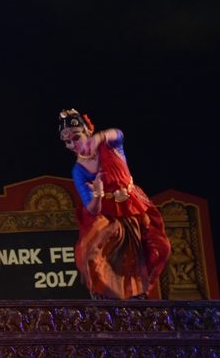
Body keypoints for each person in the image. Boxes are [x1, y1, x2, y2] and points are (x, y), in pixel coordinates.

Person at [59, 108, 171, 299]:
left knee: (161, 248)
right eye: (67, 142)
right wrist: (98, 193)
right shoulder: (79, 170)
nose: (72, 145)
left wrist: (98, 138)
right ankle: (107, 300)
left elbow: (118, 133)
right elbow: (92, 208)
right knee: (91, 254)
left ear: (88, 132)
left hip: (134, 207)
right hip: (108, 215)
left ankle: (139, 294)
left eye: (76, 138)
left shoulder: (109, 146)